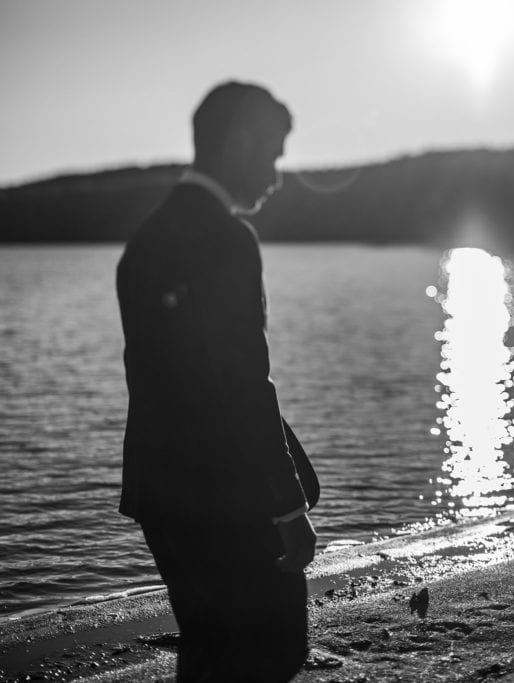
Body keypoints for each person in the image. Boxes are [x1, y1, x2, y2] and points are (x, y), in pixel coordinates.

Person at [116, 81, 320, 681]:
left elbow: (169, 382)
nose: (277, 177)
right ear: (239, 143)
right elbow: (243, 387)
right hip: (226, 502)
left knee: (208, 650)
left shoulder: (142, 243)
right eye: (274, 155)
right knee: (272, 655)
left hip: (162, 499)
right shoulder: (229, 240)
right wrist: (287, 510)